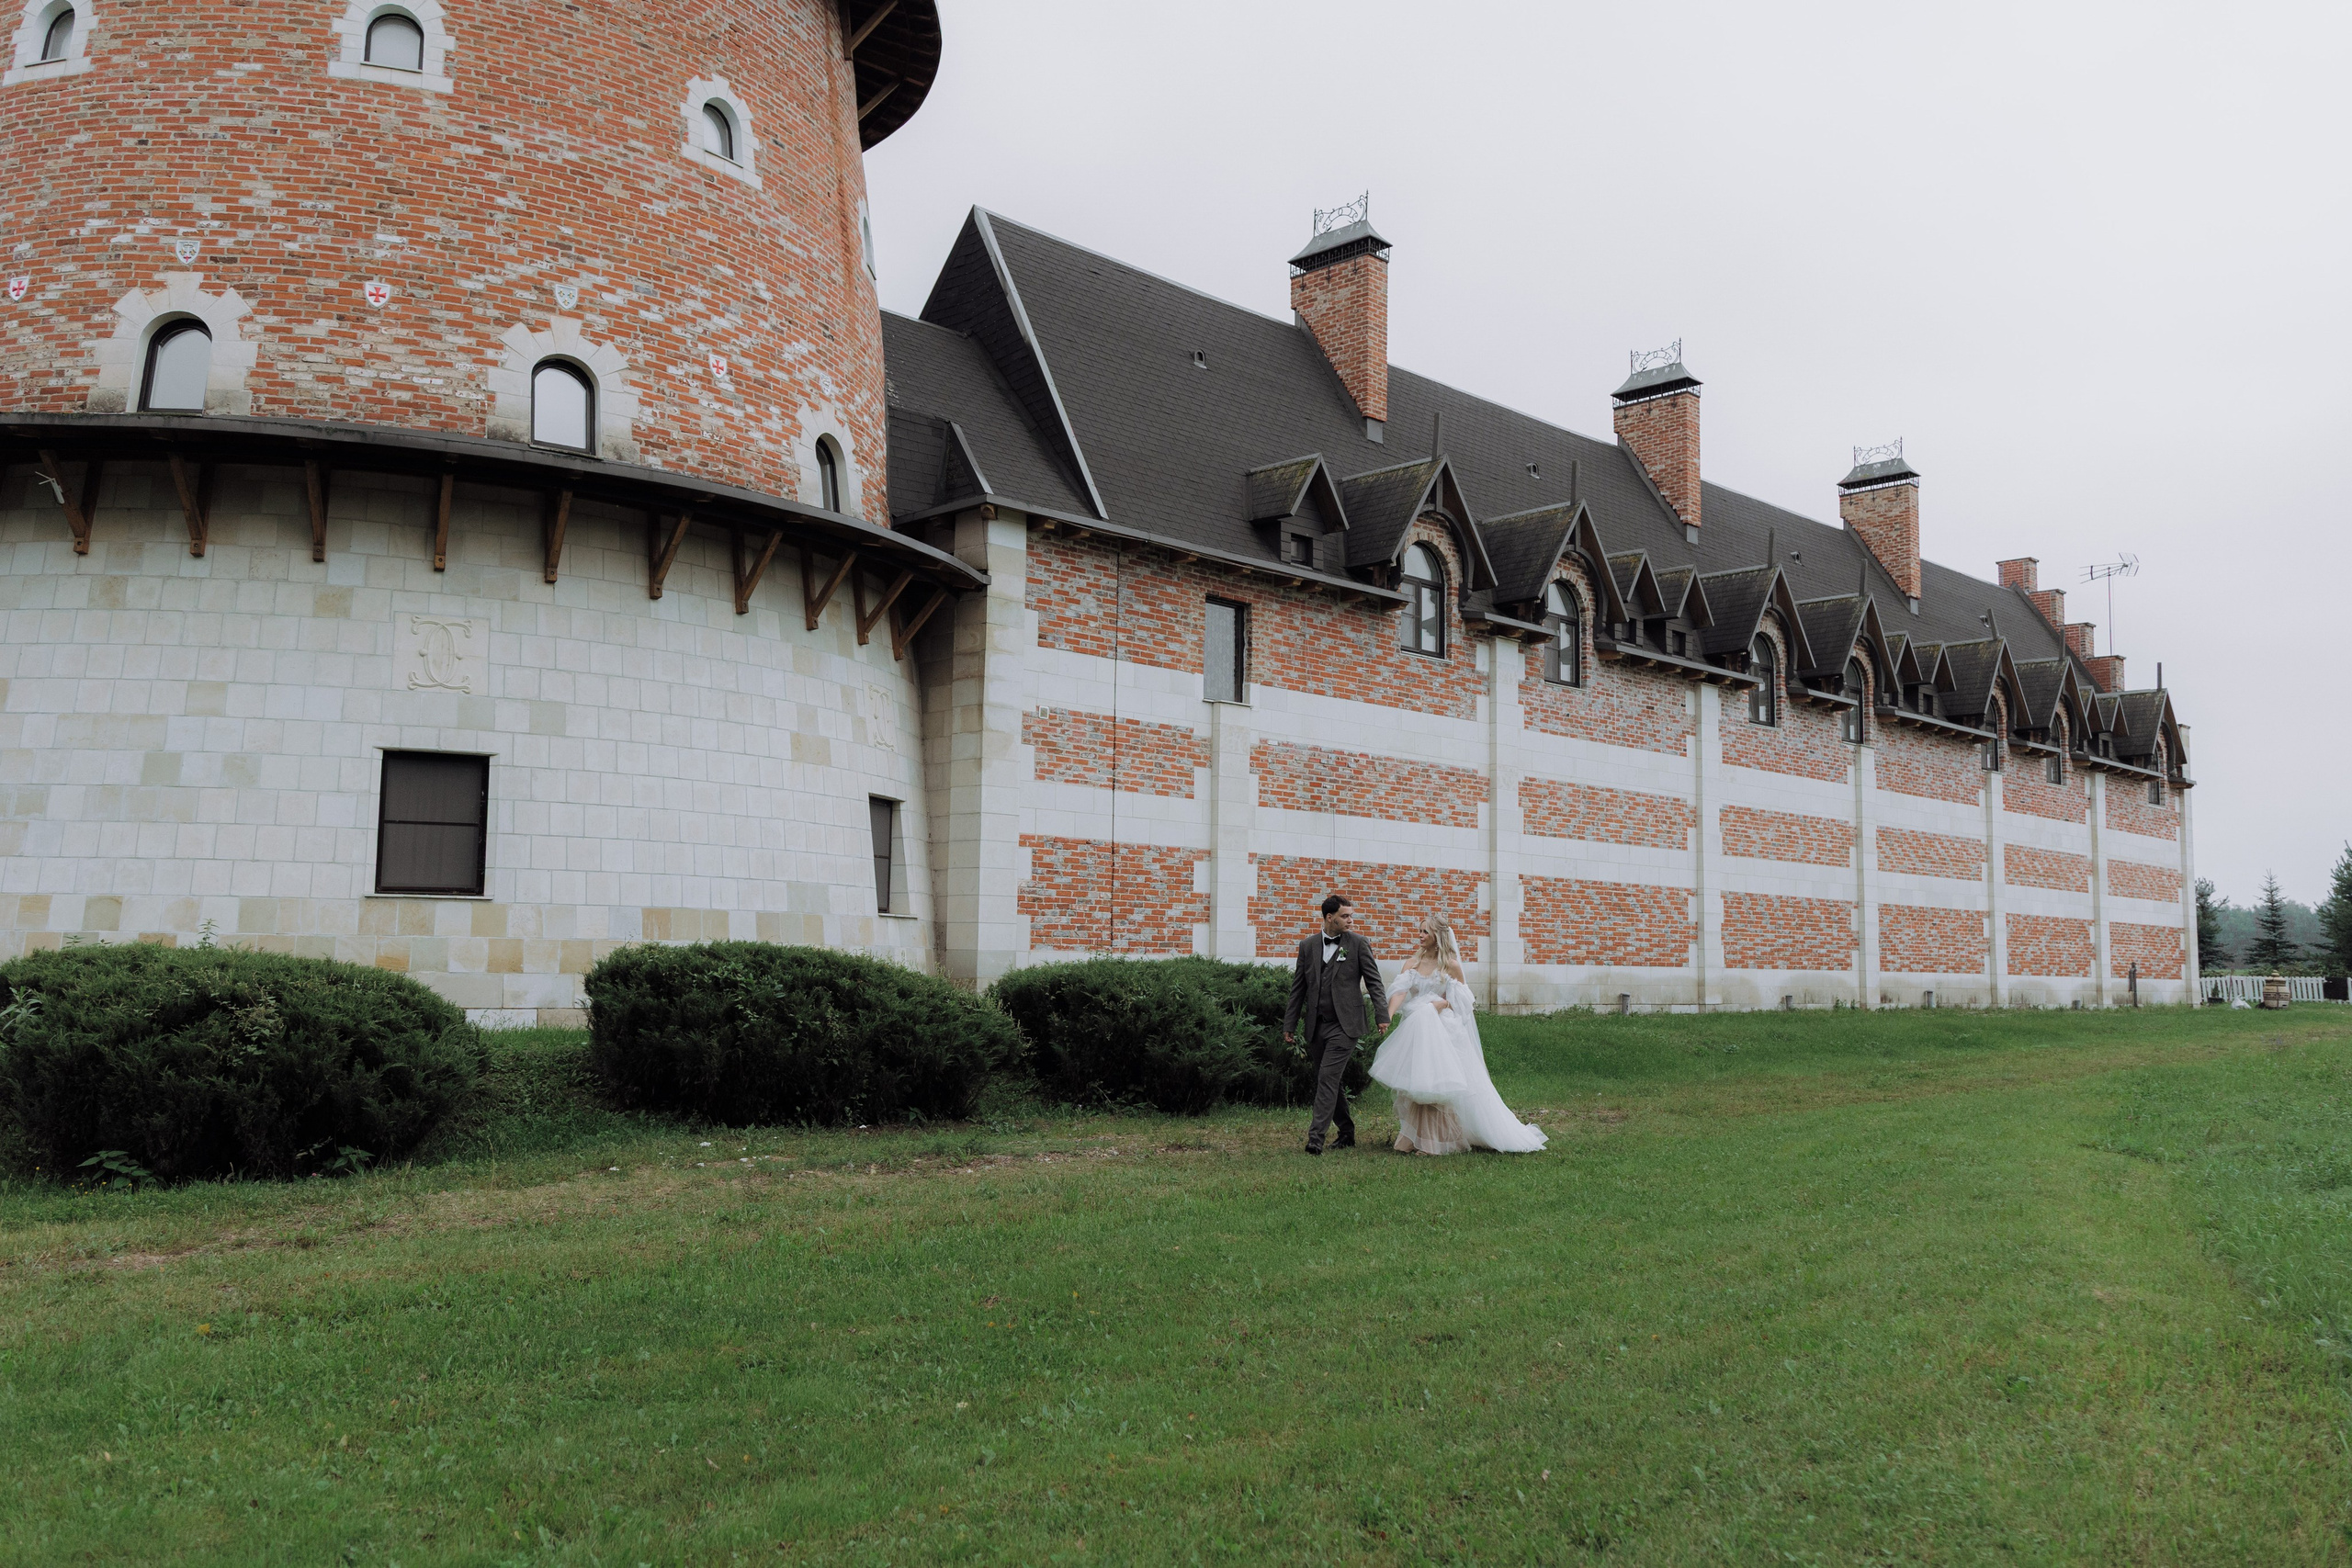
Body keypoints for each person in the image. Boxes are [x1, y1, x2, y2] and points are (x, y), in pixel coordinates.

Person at [1369, 913, 1545, 1155]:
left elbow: (1463, 1000)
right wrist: (1387, 1015)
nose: (1420, 936)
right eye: (1419, 931)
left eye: (1425, 932)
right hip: (1417, 1031)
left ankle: (1436, 1141)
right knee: (1418, 1082)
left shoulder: (1450, 965)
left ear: (1437, 936)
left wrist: (1441, 1005)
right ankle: (1414, 1137)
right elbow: (1400, 992)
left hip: (1442, 1029)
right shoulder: (1412, 963)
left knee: (1437, 1084)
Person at [1282, 894, 1388, 1156]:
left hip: (1346, 1025)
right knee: (1330, 1080)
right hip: (1317, 1026)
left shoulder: (1359, 944)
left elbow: (1374, 982)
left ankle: (1315, 1139)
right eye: (1345, 916)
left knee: (1327, 1079)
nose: (1350, 920)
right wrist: (1290, 1023)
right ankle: (1347, 1132)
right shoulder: (1308, 946)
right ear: (1329, 918)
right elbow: (1298, 989)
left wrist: (1382, 1015)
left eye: (1351, 915)